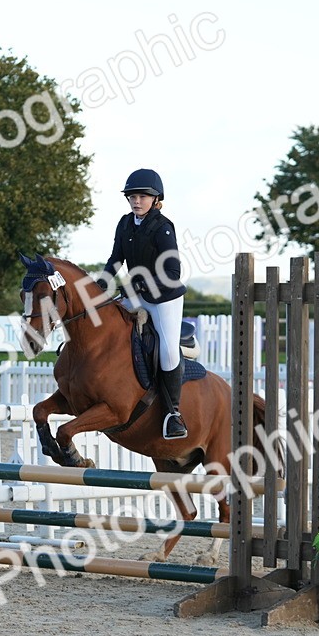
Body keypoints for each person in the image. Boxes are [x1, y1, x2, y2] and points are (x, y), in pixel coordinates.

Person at [98, 168, 188, 440]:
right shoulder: (125, 223)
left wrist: (139, 285)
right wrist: (101, 284)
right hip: (135, 292)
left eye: (142, 197)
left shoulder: (163, 227)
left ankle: (174, 414)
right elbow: (116, 259)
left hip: (164, 297)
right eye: (132, 197)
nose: (136, 201)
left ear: (155, 198)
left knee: (169, 350)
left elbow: (173, 272)